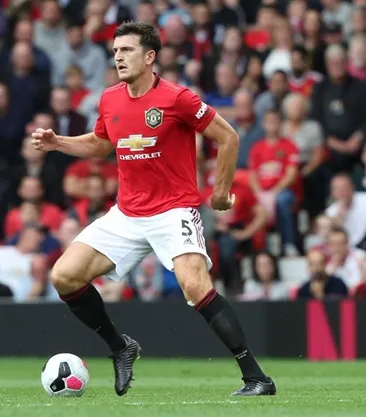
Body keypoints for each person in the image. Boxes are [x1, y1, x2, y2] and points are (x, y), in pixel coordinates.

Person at [31, 22, 275, 397]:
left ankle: (256, 378)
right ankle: (120, 348)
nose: (118, 57)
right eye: (115, 51)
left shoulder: (178, 99)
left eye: (126, 50)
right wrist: (57, 142)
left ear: (149, 56)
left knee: (195, 287)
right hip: (127, 212)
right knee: (64, 276)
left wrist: (221, 192)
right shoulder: (110, 98)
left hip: (173, 210)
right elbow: (100, 144)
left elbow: (228, 136)